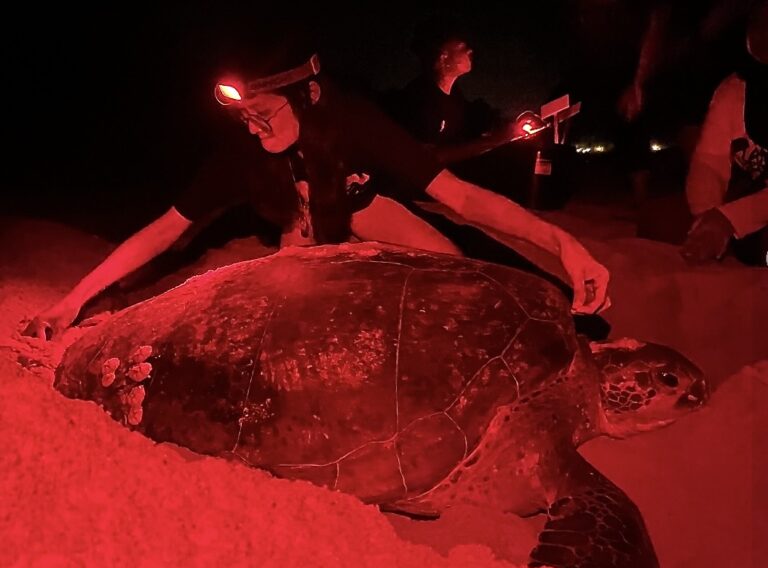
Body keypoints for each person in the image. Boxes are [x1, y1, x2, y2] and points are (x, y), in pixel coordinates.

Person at [23, 27, 609, 340]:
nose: (254, 128)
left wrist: (563, 244)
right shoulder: (242, 155)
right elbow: (163, 232)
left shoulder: (353, 123)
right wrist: (71, 300)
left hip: (363, 207)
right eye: (243, 117)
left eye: (265, 112)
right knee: (292, 306)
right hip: (297, 236)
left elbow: (462, 198)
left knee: (464, 269)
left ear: (308, 95)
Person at [681, 1, 768, 265]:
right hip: (749, 206)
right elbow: (709, 162)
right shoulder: (735, 89)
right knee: (659, 220)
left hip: (753, 213)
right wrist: (706, 218)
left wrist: (729, 220)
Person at [385, 17, 530, 167]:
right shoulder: (419, 99)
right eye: (462, 47)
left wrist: (513, 126)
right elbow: (428, 158)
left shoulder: (455, 98)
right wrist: (497, 140)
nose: (470, 50)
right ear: (443, 57)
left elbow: (476, 128)